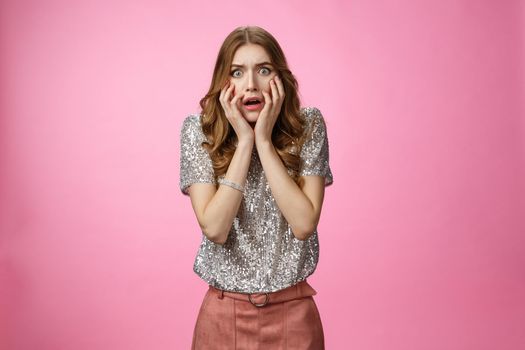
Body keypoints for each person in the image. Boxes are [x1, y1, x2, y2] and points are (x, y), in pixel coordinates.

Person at [179, 25, 333, 349]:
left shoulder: (309, 126)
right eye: (237, 72)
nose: (251, 85)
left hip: (293, 316)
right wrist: (245, 141)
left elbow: (304, 224)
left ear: (279, 78)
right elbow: (215, 228)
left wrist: (263, 140)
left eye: (263, 70)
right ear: (224, 80)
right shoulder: (199, 131)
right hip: (223, 317)